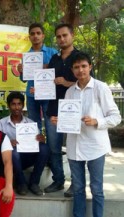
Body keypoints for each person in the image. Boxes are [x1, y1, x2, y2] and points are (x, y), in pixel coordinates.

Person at [51, 52, 121, 217]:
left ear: (90, 67)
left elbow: (116, 117)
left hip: (95, 146)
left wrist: (97, 121)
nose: (80, 70)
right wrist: (59, 121)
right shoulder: (70, 92)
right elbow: (70, 119)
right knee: (78, 188)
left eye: (83, 66)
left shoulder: (101, 87)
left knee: (96, 189)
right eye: (76, 67)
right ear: (72, 70)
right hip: (74, 147)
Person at [44, 23, 79, 196]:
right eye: (58, 36)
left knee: (73, 147)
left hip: (73, 111)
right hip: (53, 109)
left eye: (65, 35)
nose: (62, 39)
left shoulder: (80, 57)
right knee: (54, 148)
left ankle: (76, 183)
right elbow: (47, 80)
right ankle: (58, 180)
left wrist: (67, 83)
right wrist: (41, 86)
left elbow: (88, 82)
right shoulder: (54, 59)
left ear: (72, 35)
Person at [0, 92, 50, 196]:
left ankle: (34, 183)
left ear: (23, 105)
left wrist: (41, 139)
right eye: (13, 104)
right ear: (8, 106)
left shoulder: (30, 123)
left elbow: (38, 142)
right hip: (11, 159)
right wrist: (8, 143)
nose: (16, 107)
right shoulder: (1, 123)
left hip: (28, 157)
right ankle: (21, 184)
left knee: (45, 148)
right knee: (14, 152)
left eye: (19, 104)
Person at [18, 23, 57, 133]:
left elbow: (58, 73)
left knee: (51, 125)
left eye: (38, 33)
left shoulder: (53, 52)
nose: (35, 36)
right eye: (32, 34)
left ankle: (52, 150)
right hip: (31, 95)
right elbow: (24, 79)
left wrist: (48, 67)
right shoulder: (27, 56)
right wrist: (21, 71)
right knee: (33, 125)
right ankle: (37, 149)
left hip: (48, 94)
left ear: (43, 36)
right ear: (29, 37)